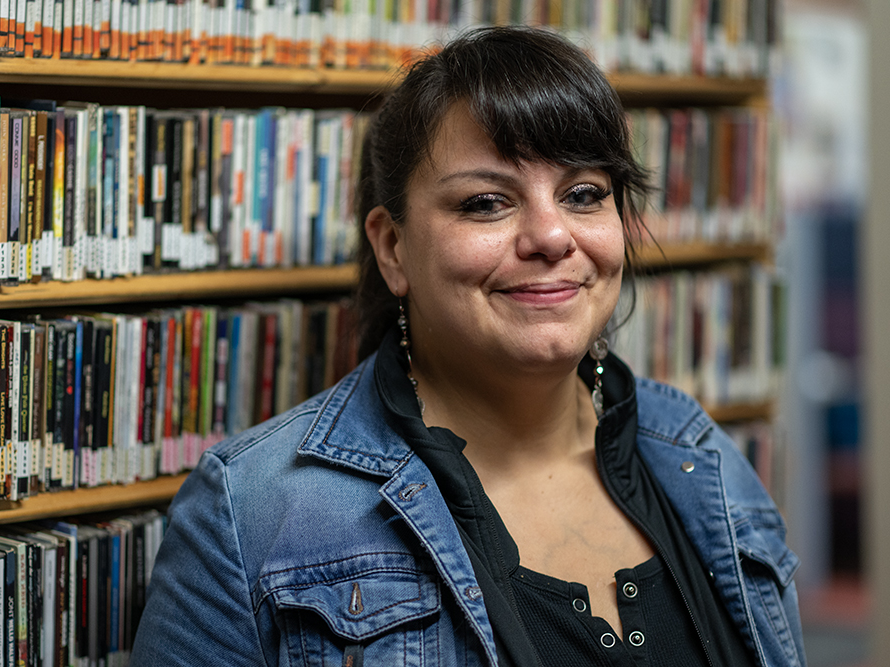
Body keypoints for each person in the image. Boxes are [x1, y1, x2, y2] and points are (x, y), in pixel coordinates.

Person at [131, 26, 805, 667]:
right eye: (487, 202)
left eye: (583, 193)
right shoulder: (250, 511)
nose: (551, 235)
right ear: (393, 247)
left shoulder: (702, 459)